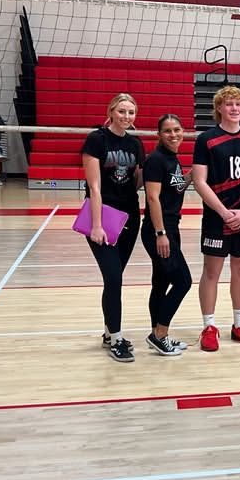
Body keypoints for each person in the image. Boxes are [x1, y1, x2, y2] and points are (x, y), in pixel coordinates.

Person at [193, 86, 240, 352]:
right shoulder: (207, 139)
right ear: (219, 108)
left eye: (238, 104)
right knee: (211, 272)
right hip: (216, 217)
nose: (235, 108)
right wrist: (223, 212)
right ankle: (209, 327)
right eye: (229, 104)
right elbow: (199, 181)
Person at [81, 93, 145, 362]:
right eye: (122, 111)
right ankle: (117, 339)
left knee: (114, 278)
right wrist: (96, 225)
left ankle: (109, 332)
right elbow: (94, 186)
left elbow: (137, 182)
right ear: (111, 111)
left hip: (129, 217)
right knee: (114, 278)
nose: (127, 117)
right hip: (103, 216)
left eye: (131, 112)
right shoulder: (97, 139)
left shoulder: (136, 143)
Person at [141, 114, 192, 355]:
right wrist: (161, 233)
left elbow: (176, 188)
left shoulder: (173, 159)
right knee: (183, 281)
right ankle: (159, 334)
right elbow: (152, 198)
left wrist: (193, 176)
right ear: (159, 135)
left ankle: (160, 335)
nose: (174, 134)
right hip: (159, 229)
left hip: (171, 226)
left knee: (160, 283)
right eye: (168, 131)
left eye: (177, 130)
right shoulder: (156, 160)